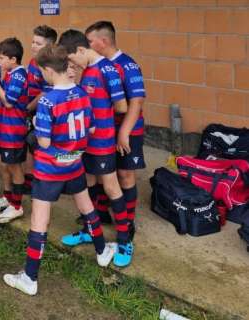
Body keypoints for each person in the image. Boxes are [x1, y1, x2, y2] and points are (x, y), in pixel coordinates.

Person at [3, 44, 116, 296]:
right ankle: (101, 251)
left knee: (39, 221)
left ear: (47, 70)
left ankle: (30, 278)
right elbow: (92, 129)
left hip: (49, 170)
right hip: (74, 163)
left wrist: (35, 125)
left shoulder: (47, 100)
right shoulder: (82, 93)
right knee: (86, 206)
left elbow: (43, 142)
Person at [58, 29, 133, 268]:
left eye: (72, 59)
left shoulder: (107, 70)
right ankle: (89, 230)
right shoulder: (87, 70)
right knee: (87, 184)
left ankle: (124, 240)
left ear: (81, 50)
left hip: (101, 141)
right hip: (84, 141)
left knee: (111, 187)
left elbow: (121, 106)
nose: (72, 64)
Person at [85, 20, 147, 264]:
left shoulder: (127, 65)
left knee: (125, 175)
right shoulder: (96, 66)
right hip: (104, 131)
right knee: (103, 175)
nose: (88, 46)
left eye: (91, 41)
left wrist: (124, 132)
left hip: (127, 130)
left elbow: (136, 102)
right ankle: (103, 215)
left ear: (104, 41)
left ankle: (128, 223)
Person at [0, 37, 29, 224]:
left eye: (1, 58)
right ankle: (8, 197)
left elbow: (8, 102)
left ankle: (17, 206)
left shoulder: (19, 75)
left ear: (13, 59)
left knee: (15, 167)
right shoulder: (11, 73)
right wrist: (2, 78)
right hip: (5, 128)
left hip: (14, 130)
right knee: (5, 165)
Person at [24, 25, 58, 195]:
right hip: (32, 110)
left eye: (38, 43)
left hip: (44, 111)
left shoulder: (49, 66)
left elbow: (45, 92)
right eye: (33, 42)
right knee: (31, 143)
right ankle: (30, 179)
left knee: (41, 146)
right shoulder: (32, 61)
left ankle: (44, 182)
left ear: (50, 46)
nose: (33, 46)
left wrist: (28, 108)